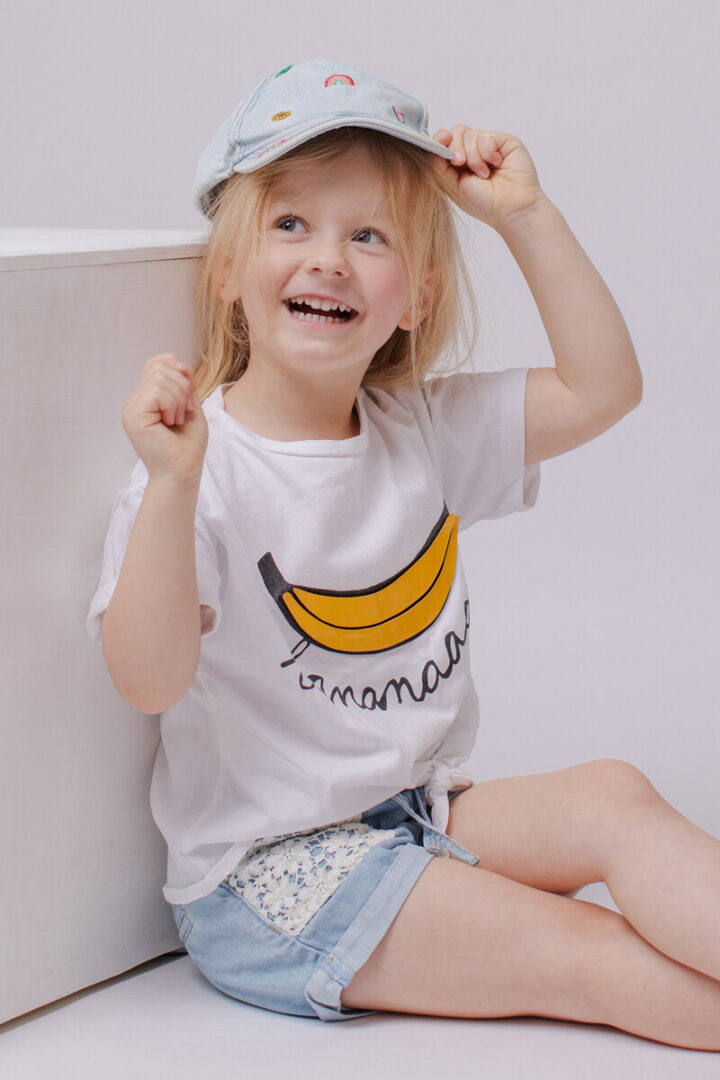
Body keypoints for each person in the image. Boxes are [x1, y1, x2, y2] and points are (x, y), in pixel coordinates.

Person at [86, 59, 720, 1049]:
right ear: (227, 271)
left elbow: (604, 388)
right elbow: (148, 680)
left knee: (615, 794)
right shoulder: (199, 470)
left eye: (368, 235)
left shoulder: (421, 430)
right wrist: (171, 486)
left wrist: (525, 216)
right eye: (291, 223)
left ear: (417, 296)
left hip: (412, 813)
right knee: (590, 950)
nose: (328, 259)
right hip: (270, 876)